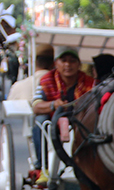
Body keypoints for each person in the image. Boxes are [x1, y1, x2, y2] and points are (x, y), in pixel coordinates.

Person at [30, 45, 95, 177]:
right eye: (63, 60)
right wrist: (54, 104)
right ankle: (42, 167)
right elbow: (36, 106)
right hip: (54, 120)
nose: (68, 65)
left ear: (79, 64)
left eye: (72, 61)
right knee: (40, 122)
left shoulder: (90, 83)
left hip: (82, 120)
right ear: (56, 63)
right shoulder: (46, 81)